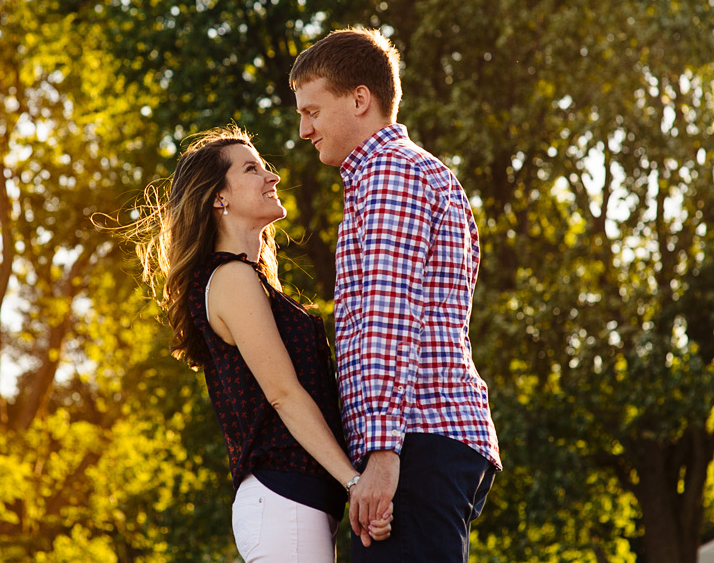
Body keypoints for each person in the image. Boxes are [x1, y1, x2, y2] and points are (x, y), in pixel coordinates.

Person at [129, 125, 392, 562]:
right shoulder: (231, 278)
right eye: (252, 169)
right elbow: (284, 395)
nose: (272, 176)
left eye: (265, 166)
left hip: (294, 504)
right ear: (219, 197)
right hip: (283, 502)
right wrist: (355, 482)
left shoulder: (248, 280)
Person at [289, 28, 502, 563]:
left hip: (415, 443)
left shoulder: (392, 174)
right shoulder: (384, 179)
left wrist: (383, 454)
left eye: (313, 111)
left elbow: (390, 313)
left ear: (359, 99)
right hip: (417, 444)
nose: (303, 129)